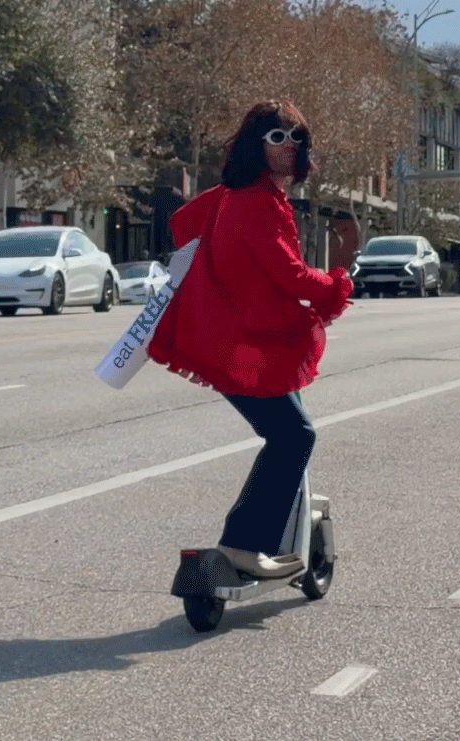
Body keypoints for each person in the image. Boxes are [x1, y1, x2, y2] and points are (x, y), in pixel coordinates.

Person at [148, 100, 353, 579]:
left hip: (237, 335)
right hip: (242, 342)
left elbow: (183, 224)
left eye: (297, 138)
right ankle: (245, 543)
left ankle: (254, 539)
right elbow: (290, 273)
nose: (288, 147)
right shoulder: (257, 202)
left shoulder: (230, 195)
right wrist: (337, 283)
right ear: (254, 145)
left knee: (288, 434)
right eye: (276, 137)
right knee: (294, 436)